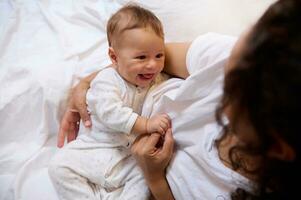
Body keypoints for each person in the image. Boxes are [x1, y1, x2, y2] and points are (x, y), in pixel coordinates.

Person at [56, 0, 301, 199]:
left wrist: (154, 178)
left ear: (277, 145)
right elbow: (146, 57)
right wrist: (87, 83)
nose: (221, 75)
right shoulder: (230, 55)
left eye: (230, 90)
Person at [48, 5, 171, 200]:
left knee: (144, 177)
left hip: (129, 156)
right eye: (141, 57)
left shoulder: (156, 80)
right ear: (114, 57)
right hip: (95, 148)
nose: (152, 64)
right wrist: (146, 124)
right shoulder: (106, 79)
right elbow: (110, 112)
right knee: (59, 166)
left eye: (159, 55)